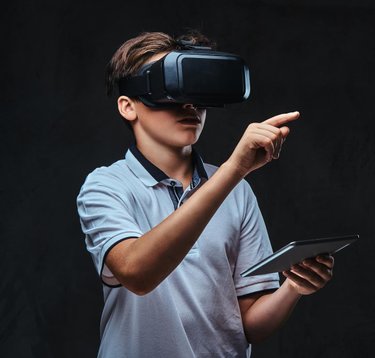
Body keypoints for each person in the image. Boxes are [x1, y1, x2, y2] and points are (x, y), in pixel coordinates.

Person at [76, 30, 335, 357]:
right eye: (170, 89)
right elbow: (138, 273)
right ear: (128, 106)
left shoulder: (238, 192)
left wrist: (295, 287)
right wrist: (233, 169)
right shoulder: (106, 185)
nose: (189, 105)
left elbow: (250, 323)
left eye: (197, 91)